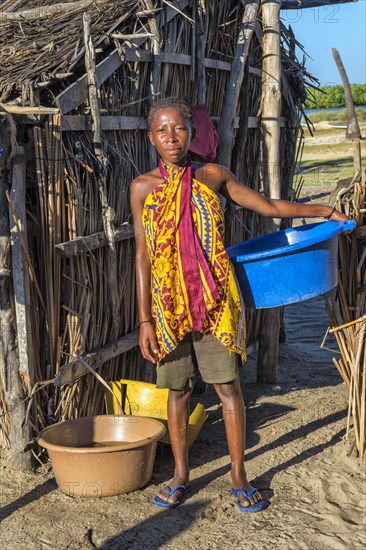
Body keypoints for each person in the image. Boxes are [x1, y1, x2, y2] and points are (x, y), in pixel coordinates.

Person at [130, 97, 348, 512]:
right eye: (162, 130)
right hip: (169, 308)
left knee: (228, 388)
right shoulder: (142, 188)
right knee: (176, 391)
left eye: (178, 128)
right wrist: (144, 319)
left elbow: (268, 207)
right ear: (151, 138)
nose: (171, 137)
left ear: (192, 134)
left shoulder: (212, 176)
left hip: (215, 303)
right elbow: (142, 254)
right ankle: (180, 475)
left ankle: (238, 476)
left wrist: (321, 210)